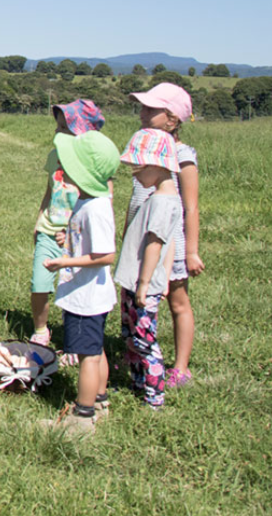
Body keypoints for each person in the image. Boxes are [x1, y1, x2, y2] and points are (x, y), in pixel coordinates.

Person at [37, 129, 119, 438]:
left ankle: (82, 417)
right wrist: (68, 238)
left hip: (87, 298)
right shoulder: (88, 202)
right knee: (95, 349)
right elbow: (88, 241)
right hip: (92, 295)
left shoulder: (96, 209)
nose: (63, 167)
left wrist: (64, 262)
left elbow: (106, 255)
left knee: (88, 357)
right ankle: (100, 401)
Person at [127, 83, 201, 388]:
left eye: (151, 109)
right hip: (142, 240)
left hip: (171, 243)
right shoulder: (145, 147)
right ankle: (139, 354)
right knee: (139, 299)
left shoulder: (182, 154)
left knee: (177, 301)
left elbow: (191, 206)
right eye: (143, 107)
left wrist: (191, 251)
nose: (143, 113)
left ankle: (180, 367)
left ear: (172, 119)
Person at [114, 127, 183, 410]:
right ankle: (138, 383)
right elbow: (171, 244)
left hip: (141, 285)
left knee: (145, 341)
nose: (134, 174)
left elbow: (156, 244)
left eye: (138, 167)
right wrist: (164, 278)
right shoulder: (161, 199)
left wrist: (145, 284)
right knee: (132, 337)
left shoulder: (162, 203)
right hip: (136, 282)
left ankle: (155, 396)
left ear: (158, 165)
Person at [29, 99, 106, 350]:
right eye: (58, 126)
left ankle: (75, 340)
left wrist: (72, 233)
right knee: (39, 284)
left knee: (73, 289)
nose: (57, 131)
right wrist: (39, 220)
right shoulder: (54, 156)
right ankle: (40, 330)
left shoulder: (90, 164)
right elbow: (49, 191)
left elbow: (95, 206)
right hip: (49, 230)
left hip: (76, 236)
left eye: (64, 128)